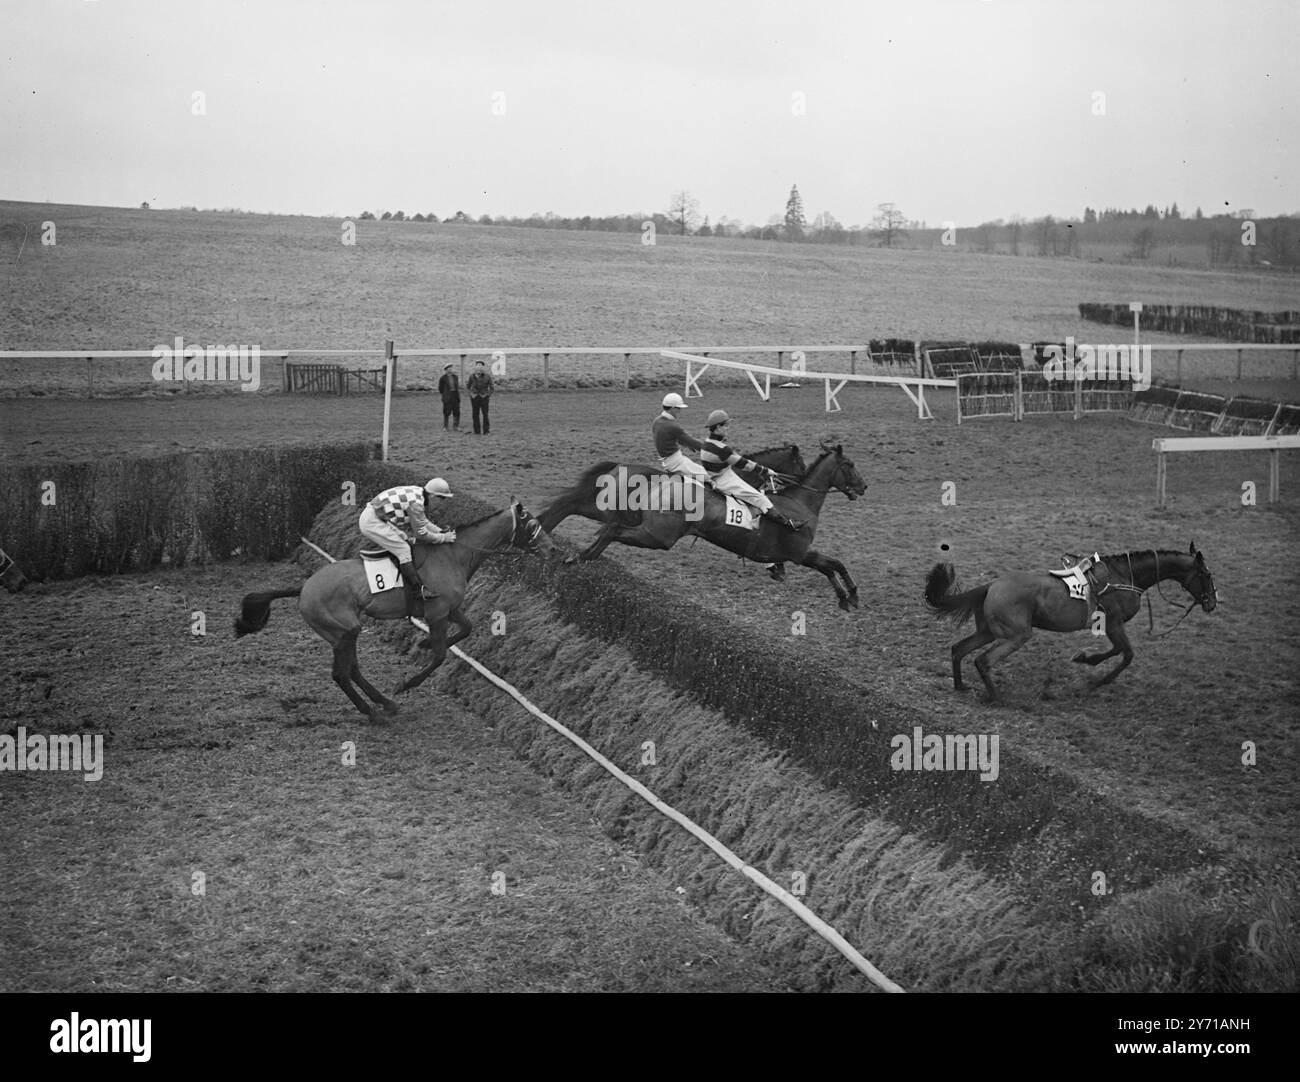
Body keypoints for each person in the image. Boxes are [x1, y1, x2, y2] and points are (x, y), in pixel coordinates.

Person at [358, 477, 457, 623]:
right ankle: (418, 590)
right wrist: (444, 538)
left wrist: (440, 531)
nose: (442, 504)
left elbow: (423, 522)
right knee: (404, 549)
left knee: (406, 540)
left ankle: (402, 579)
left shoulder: (419, 494)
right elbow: (421, 534)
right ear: (434, 496)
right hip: (372, 522)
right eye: (442, 500)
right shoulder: (416, 503)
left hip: (377, 518)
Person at [700, 410, 805, 531]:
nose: (728, 428)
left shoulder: (707, 442)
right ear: (718, 427)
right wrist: (766, 471)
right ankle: (789, 524)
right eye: (726, 425)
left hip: (718, 475)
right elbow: (744, 464)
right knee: (759, 498)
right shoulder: (722, 448)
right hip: (723, 479)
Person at [652, 393, 708, 482]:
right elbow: (692, 442)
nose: (680, 411)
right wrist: (711, 450)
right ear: (673, 408)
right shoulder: (672, 426)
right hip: (677, 463)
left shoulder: (656, 421)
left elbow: (670, 437)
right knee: (710, 477)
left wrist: (687, 444)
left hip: (667, 462)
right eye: (679, 408)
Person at [466, 358, 493, 435]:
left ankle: (486, 431)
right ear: (475, 367)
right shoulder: (471, 376)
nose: (479, 367)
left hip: (484, 397)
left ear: (483, 367)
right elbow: (468, 386)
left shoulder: (487, 376)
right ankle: (477, 431)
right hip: (474, 398)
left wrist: (488, 395)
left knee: (485, 414)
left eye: (480, 366)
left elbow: (491, 387)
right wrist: (471, 395)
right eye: (477, 365)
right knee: (475, 414)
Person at [438, 363, 461, 431]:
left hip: (455, 395)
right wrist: (445, 394)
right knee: (446, 412)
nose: (450, 369)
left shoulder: (455, 377)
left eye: (451, 368)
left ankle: (456, 426)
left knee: (456, 411)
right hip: (447, 396)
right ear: (446, 370)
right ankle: (445, 426)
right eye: (448, 368)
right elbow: (440, 388)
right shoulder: (443, 378)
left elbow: (457, 386)